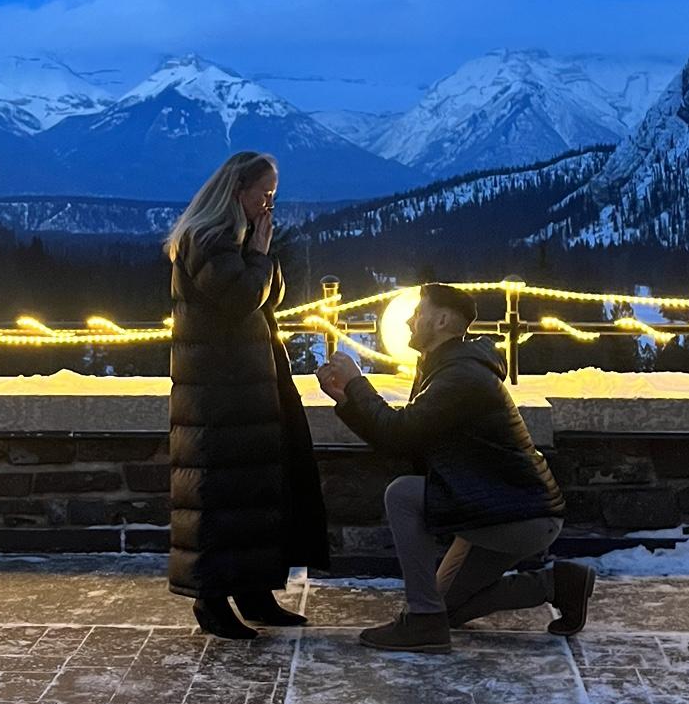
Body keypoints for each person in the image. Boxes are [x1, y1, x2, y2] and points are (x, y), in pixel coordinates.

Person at [316, 282, 596, 654]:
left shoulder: (461, 376)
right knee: (447, 608)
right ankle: (559, 585)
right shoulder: (447, 369)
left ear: (443, 320)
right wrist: (348, 401)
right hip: (494, 506)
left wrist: (357, 384)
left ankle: (421, 620)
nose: (409, 321)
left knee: (402, 495)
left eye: (419, 312)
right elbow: (406, 443)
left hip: (516, 514)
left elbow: (399, 434)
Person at [165, 150, 329, 639]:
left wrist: (259, 251)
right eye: (265, 193)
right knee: (220, 496)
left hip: (247, 386)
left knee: (255, 494)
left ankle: (254, 591)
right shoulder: (208, 239)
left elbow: (267, 297)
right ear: (238, 192)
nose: (270, 203)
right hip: (219, 392)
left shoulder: (234, 238)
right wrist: (258, 253)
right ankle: (211, 599)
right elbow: (240, 298)